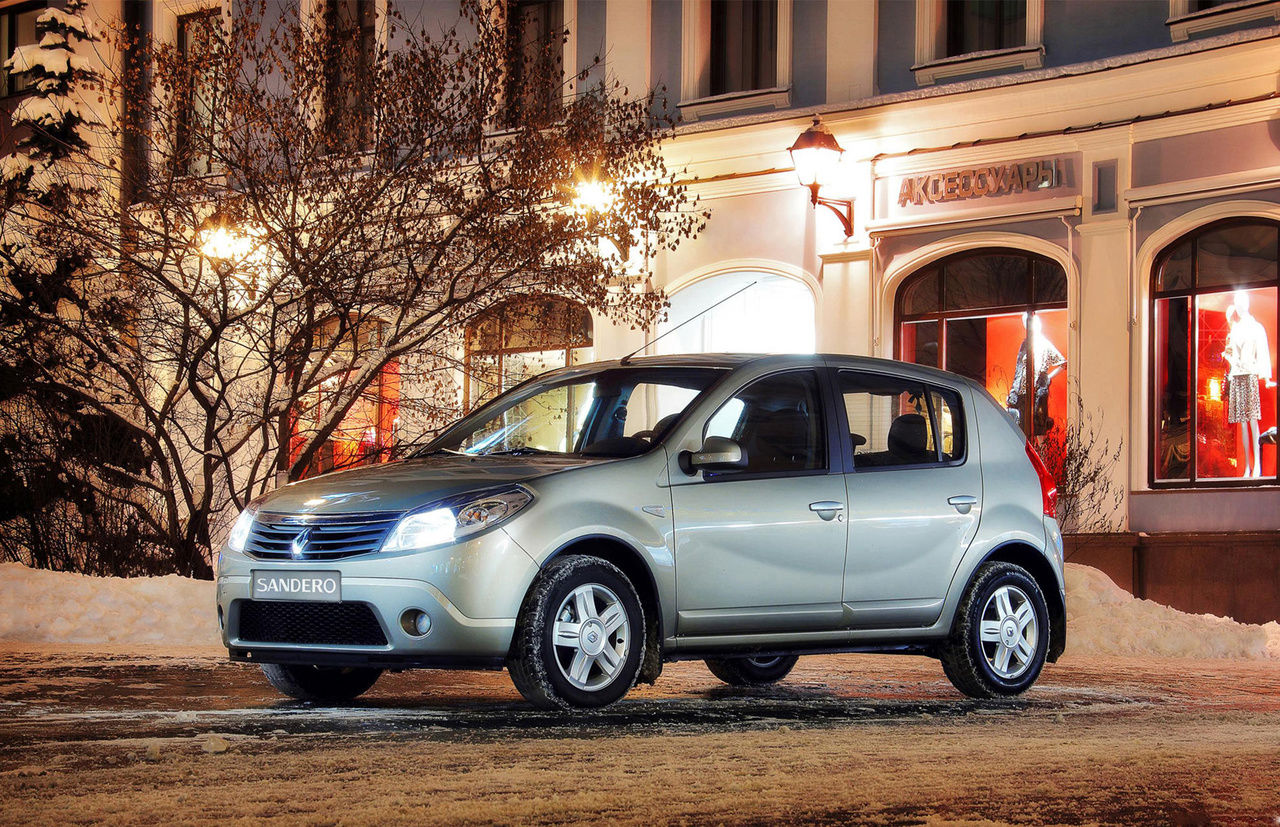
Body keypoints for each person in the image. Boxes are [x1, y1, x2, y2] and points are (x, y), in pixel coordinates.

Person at [1223, 290, 1275, 478]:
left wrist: (1266, 377)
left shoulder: (1256, 327)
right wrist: (1228, 359)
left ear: (1247, 304)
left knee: (1252, 420)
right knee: (1243, 423)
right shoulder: (1235, 329)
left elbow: (1263, 353)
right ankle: (1247, 465)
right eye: (1237, 303)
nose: (1240, 306)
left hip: (1250, 374)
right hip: (1237, 376)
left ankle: (1257, 465)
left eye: (1242, 302)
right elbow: (1232, 354)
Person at [1006, 313, 1066, 432]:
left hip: (1037, 391)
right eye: (1025, 324)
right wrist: (1013, 391)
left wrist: (1047, 378)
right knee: (1021, 426)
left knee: (1038, 424)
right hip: (1022, 393)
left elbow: (1063, 364)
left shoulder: (1044, 344)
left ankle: (1040, 444)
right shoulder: (1025, 344)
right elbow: (1019, 370)